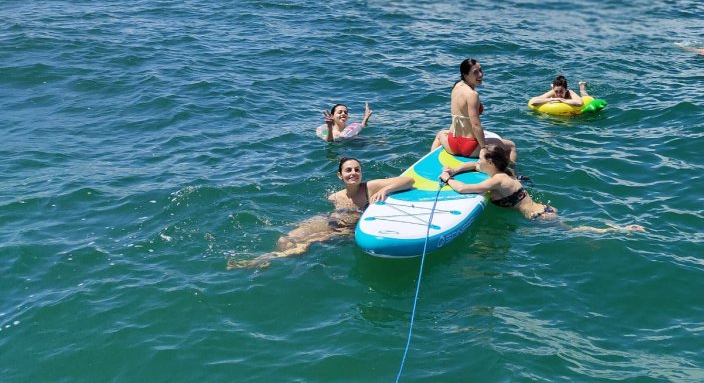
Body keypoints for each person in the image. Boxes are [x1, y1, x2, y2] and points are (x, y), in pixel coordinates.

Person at [228, 156, 413, 269]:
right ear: (340, 175)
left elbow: (408, 180)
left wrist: (385, 190)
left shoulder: (369, 187)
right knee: (285, 239)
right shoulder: (334, 197)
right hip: (328, 220)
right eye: (348, 170)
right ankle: (270, 256)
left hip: (345, 229)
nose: (353, 173)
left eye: (357, 170)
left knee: (303, 246)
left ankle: (260, 261)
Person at [439, 145, 643, 233]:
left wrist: (447, 179)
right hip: (544, 209)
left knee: (575, 231)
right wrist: (455, 169)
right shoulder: (505, 173)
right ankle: (616, 229)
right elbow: (474, 166)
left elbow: (465, 189)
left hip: (539, 217)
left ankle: (618, 230)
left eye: (481, 159)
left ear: (491, 163)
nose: (478, 161)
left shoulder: (497, 180)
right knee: (571, 227)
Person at [431, 58, 517, 162]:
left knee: (440, 134)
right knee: (511, 146)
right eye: (475, 72)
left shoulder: (456, 86)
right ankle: (512, 170)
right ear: (465, 75)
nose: (480, 75)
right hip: (469, 147)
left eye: (480, 70)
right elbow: (475, 125)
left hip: (452, 144)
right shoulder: (472, 95)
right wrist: (484, 148)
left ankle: (431, 162)